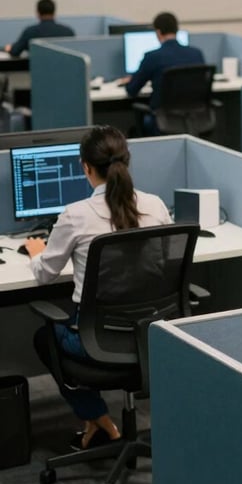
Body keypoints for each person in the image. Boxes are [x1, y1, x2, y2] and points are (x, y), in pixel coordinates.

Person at [28, 126, 171, 451]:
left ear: (86, 167)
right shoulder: (156, 206)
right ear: (127, 162)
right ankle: (100, 424)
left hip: (96, 340)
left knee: (43, 337)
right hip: (150, 334)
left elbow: (44, 276)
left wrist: (37, 252)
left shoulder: (75, 215)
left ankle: (96, 417)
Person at [124, 11, 205, 133]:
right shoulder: (196, 54)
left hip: (162, 121)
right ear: (176, 30)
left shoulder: (152, 57)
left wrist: (130, 80)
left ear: (158, 32)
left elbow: (132, 90)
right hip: (193, 119)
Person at [4, 0, 75, 57]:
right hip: (63, 71)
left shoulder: (30, 32)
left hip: (38, 71)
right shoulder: (68, 32)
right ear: (54, 12)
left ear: (38, 13)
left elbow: (15, 52)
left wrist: (9, 48)